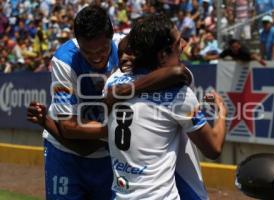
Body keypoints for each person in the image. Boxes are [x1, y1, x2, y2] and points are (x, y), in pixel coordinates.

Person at [27, 5, 193, 200]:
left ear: (112, 37)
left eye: (103, 49)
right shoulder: (64, 60)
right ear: (78, 43)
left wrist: (128, 90)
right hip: (66, 153)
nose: (96, 56)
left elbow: (178, 71)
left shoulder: (126, 46)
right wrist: (122, 131)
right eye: (87, 52)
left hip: (108, 156)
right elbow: (69, 127)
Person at [106, 14, 227, 200]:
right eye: (178, 43)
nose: (184, 46)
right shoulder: (179, 93)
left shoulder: (113, 82)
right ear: (162, 54)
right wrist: (222, 112)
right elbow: (213, 148)